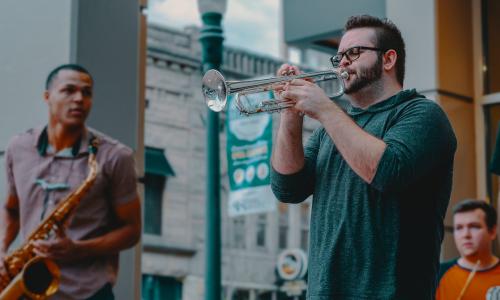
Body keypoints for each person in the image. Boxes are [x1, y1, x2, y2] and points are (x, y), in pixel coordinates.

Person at [270, 15, 457, 299]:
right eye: (339, 57)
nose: (342, 62)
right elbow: (287, 188)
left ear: (388, 59)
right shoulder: (328, 131)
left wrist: (326, 110)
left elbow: (388, 171)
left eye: (354, 53)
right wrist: (289, 116)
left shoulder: (422, 114)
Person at [0, 64, 142, 299]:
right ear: (47, 97)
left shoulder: (116, 156)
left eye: (86, 93)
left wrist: (79, 249)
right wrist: (2, 250)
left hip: (88, 291)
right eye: (69, 90)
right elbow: (11, 209)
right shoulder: (19, 147)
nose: (79, 99)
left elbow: (132, 230)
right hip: (26, 285)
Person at [436, 199, 500, 300]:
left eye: (474, 227)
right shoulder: (438, 274)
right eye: (459, 228)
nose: (465, 235)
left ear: (492, 231)